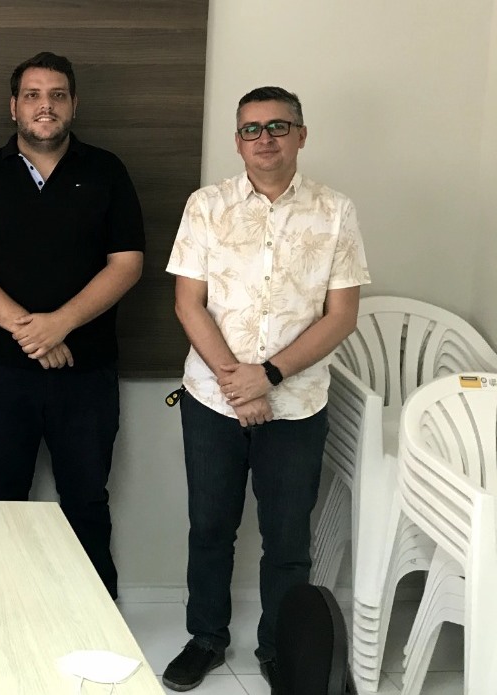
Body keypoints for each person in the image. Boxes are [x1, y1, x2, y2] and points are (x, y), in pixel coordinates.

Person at [161, 86, 370, 691]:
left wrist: (269, 376)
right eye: (251, 128)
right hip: (212, 399)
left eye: (278, 126)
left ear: (301, 135)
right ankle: (206, 638)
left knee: (287, 539)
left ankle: (279, 649)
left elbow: (341, 315)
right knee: (210, 527)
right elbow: (188, 303)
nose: (265, 138)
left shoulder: (335, 211)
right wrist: (239, 383)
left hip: (296, 405)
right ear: (238, 142)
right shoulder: (207, 206)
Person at [0, 52, 144, 598]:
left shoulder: (107, 172)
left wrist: (60, 324)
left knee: (86, 500)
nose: (45, 105)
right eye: (32, 95)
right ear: (13, 107)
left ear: (74, 104)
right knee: (1, 498)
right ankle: (4, 613)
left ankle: (96, 620)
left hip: (88, 372)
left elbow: (127, 264)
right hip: (2, 373)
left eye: (57, 95)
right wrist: (31, 332)